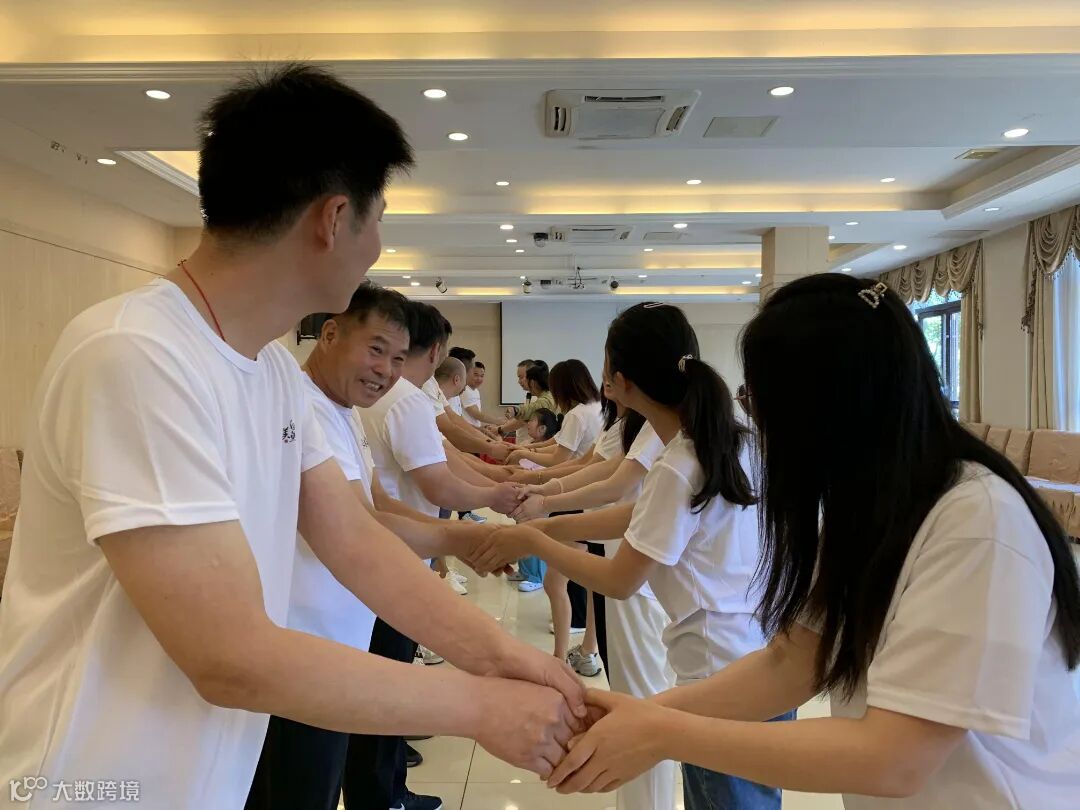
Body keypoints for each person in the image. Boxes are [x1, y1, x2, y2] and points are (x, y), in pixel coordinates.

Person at [0, 64, 586, 809]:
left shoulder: (273, 369)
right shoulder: (138, 354)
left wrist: (506, 658)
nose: (379, 245)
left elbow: (355, 538)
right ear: (334, 218)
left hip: (202, 772)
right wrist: (480, 705)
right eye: (379, 219)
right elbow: (228, 654)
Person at [546, 277, 1080, 810]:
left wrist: (661, 732)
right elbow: (793, 661)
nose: (763, 429)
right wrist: (649, 715)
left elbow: (896, 756)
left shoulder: (976, 521)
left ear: (829, 405)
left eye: (762, 403)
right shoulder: (871, 509)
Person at [472, 302, 780, 810]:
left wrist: (535, 539)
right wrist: (545, 522)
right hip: (758, 651)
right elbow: (638, 512)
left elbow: (620, 579)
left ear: (620, 379)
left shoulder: (679, 461)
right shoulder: (731, 436)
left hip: (715, 660)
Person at [248, 283, 499, 810]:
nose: (386, 369)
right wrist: (468, 536)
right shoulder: (305, 405)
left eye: (398, 358)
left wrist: (465, 535)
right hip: (303, 649)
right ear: (330, 334)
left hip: (339, 643)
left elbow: (377, 499)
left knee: (327, 777)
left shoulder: (341, 408)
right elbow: (360, 523)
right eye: (376, 349)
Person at [461, 360, 504, 428]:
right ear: (468, 373)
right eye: (476, 375)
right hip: (466, 430)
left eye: (482, 376)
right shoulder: (465, 390)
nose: (479, 379)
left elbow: (474, 418)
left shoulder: (476, 391)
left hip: (474, 429)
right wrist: (497, 421)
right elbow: (477, 415)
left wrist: (483, 427)